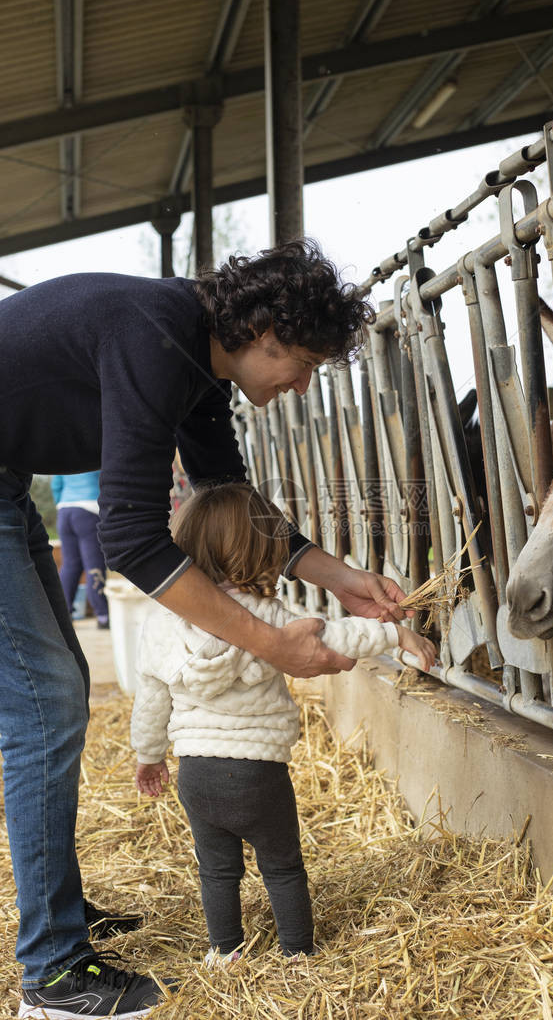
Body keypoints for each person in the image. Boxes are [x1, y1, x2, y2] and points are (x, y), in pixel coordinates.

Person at [0, 239, 414, 1019]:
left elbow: (231, 503)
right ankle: (52, 976)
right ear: (265, 333)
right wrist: (271, 642)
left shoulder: (191, 354)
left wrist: (341, 578)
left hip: (6, 478)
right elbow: (132, 536)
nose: (301, 384)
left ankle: (58, 914)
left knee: (59, 693)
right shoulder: (155, 340)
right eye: (303, 363)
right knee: (45, 705)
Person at [131, 484, 435, 964]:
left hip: (196, 774)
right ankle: (297, 952)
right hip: (257, 773)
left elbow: (150, 701)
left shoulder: (161, 624)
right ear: (259, 555)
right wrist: (394, 632)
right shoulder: (267, 619)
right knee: (283, 867)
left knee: (215, 870)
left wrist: (148, 756)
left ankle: (224, 951)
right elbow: (338, 634)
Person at [52, 471, 109, 628]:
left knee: (70, 565)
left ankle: (64, 615)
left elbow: (56, 484)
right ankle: (103, 615)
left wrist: (62, 502)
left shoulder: (61, 453)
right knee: (94, 565)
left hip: (64, 510)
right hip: (89, 509)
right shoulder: (97, 447)